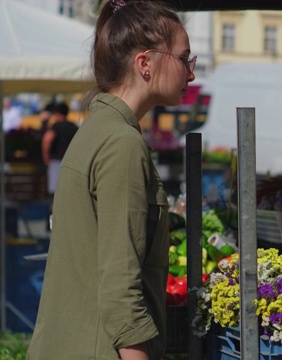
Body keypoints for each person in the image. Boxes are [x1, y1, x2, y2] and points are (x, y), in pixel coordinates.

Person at [27, 1, 196, 359]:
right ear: (145, 63)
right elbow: (122, 290)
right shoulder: (121, 143)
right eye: (184, 59)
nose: (191, 74)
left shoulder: (97, 130)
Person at [41, 102, 78, 195]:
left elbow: (47, 139)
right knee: (69, 190)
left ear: (57, 113)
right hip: (71, 162)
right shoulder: (73, 127)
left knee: (55, 190)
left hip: (56, 160)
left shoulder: (56, 126)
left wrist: (45, 156)